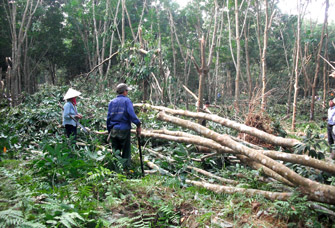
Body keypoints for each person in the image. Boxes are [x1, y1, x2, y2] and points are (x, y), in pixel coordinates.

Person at [107, 83, 141, 168]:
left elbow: (108, 118)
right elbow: (132, 115)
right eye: (127, 91)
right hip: (124, 130)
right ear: (124, 92)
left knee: (115, 151)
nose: (127, 92)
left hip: (114, 130)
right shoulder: (127, 101)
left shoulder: (112, 102)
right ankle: (125, 170)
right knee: (126, 151)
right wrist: (138, 124)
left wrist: (109, 130)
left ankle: (116, 170)